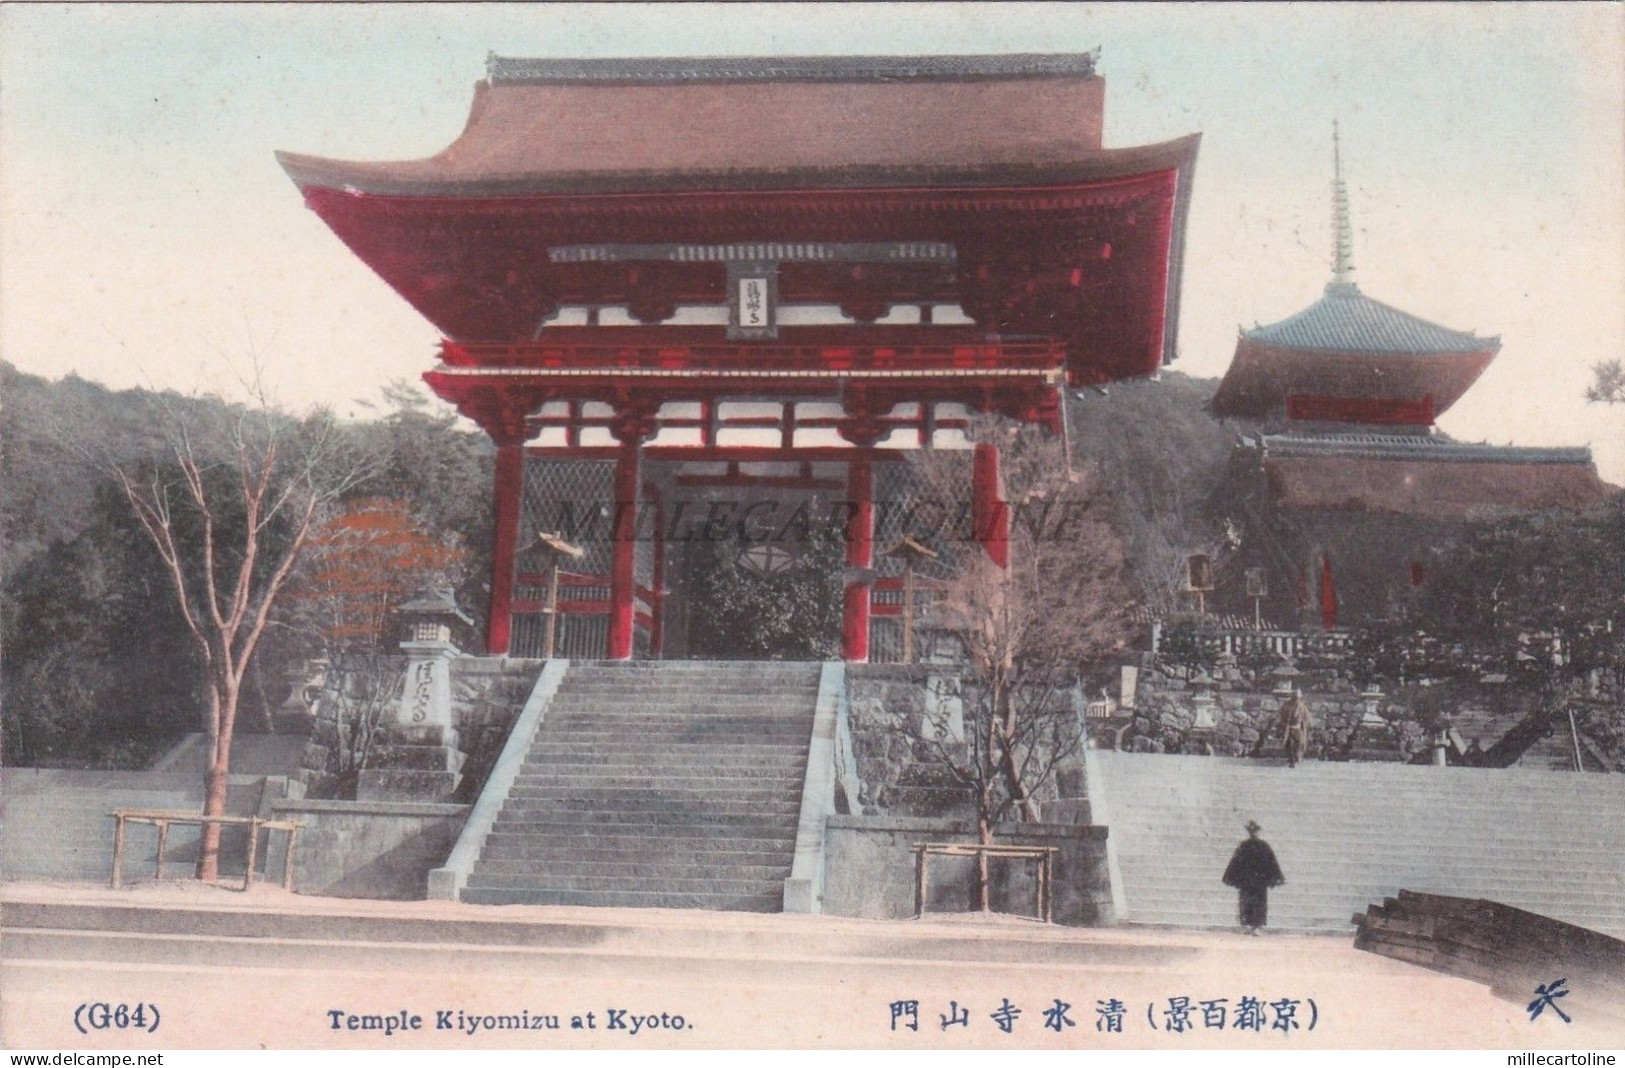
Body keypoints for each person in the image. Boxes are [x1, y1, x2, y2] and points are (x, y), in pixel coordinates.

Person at [1222, 819, 1284, 935]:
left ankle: (1255, 925)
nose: (1253, 833)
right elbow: (1236, 862)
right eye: (1252, 831)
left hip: (1256, 880)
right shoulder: (1250, 846)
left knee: (1256, 902)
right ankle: (1250, 925)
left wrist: (1272, 877)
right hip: (1250, 880)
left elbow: (1270, 863)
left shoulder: (1256, 846)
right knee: (1249, 902)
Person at [1279, 690, 1313, 767]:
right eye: (1295, 698)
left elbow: (1306, 716)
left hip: (1297, 728)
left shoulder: (1301, 706)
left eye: (1297, 698)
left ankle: (1296, 757)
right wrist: (1282, 724)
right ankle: (1291, 759)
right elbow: (1282, 715)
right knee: (1288, 744)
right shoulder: (1286, 705)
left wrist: (1308, 723)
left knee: (1298, 743)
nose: (1296, 699)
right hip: (1287, 727)